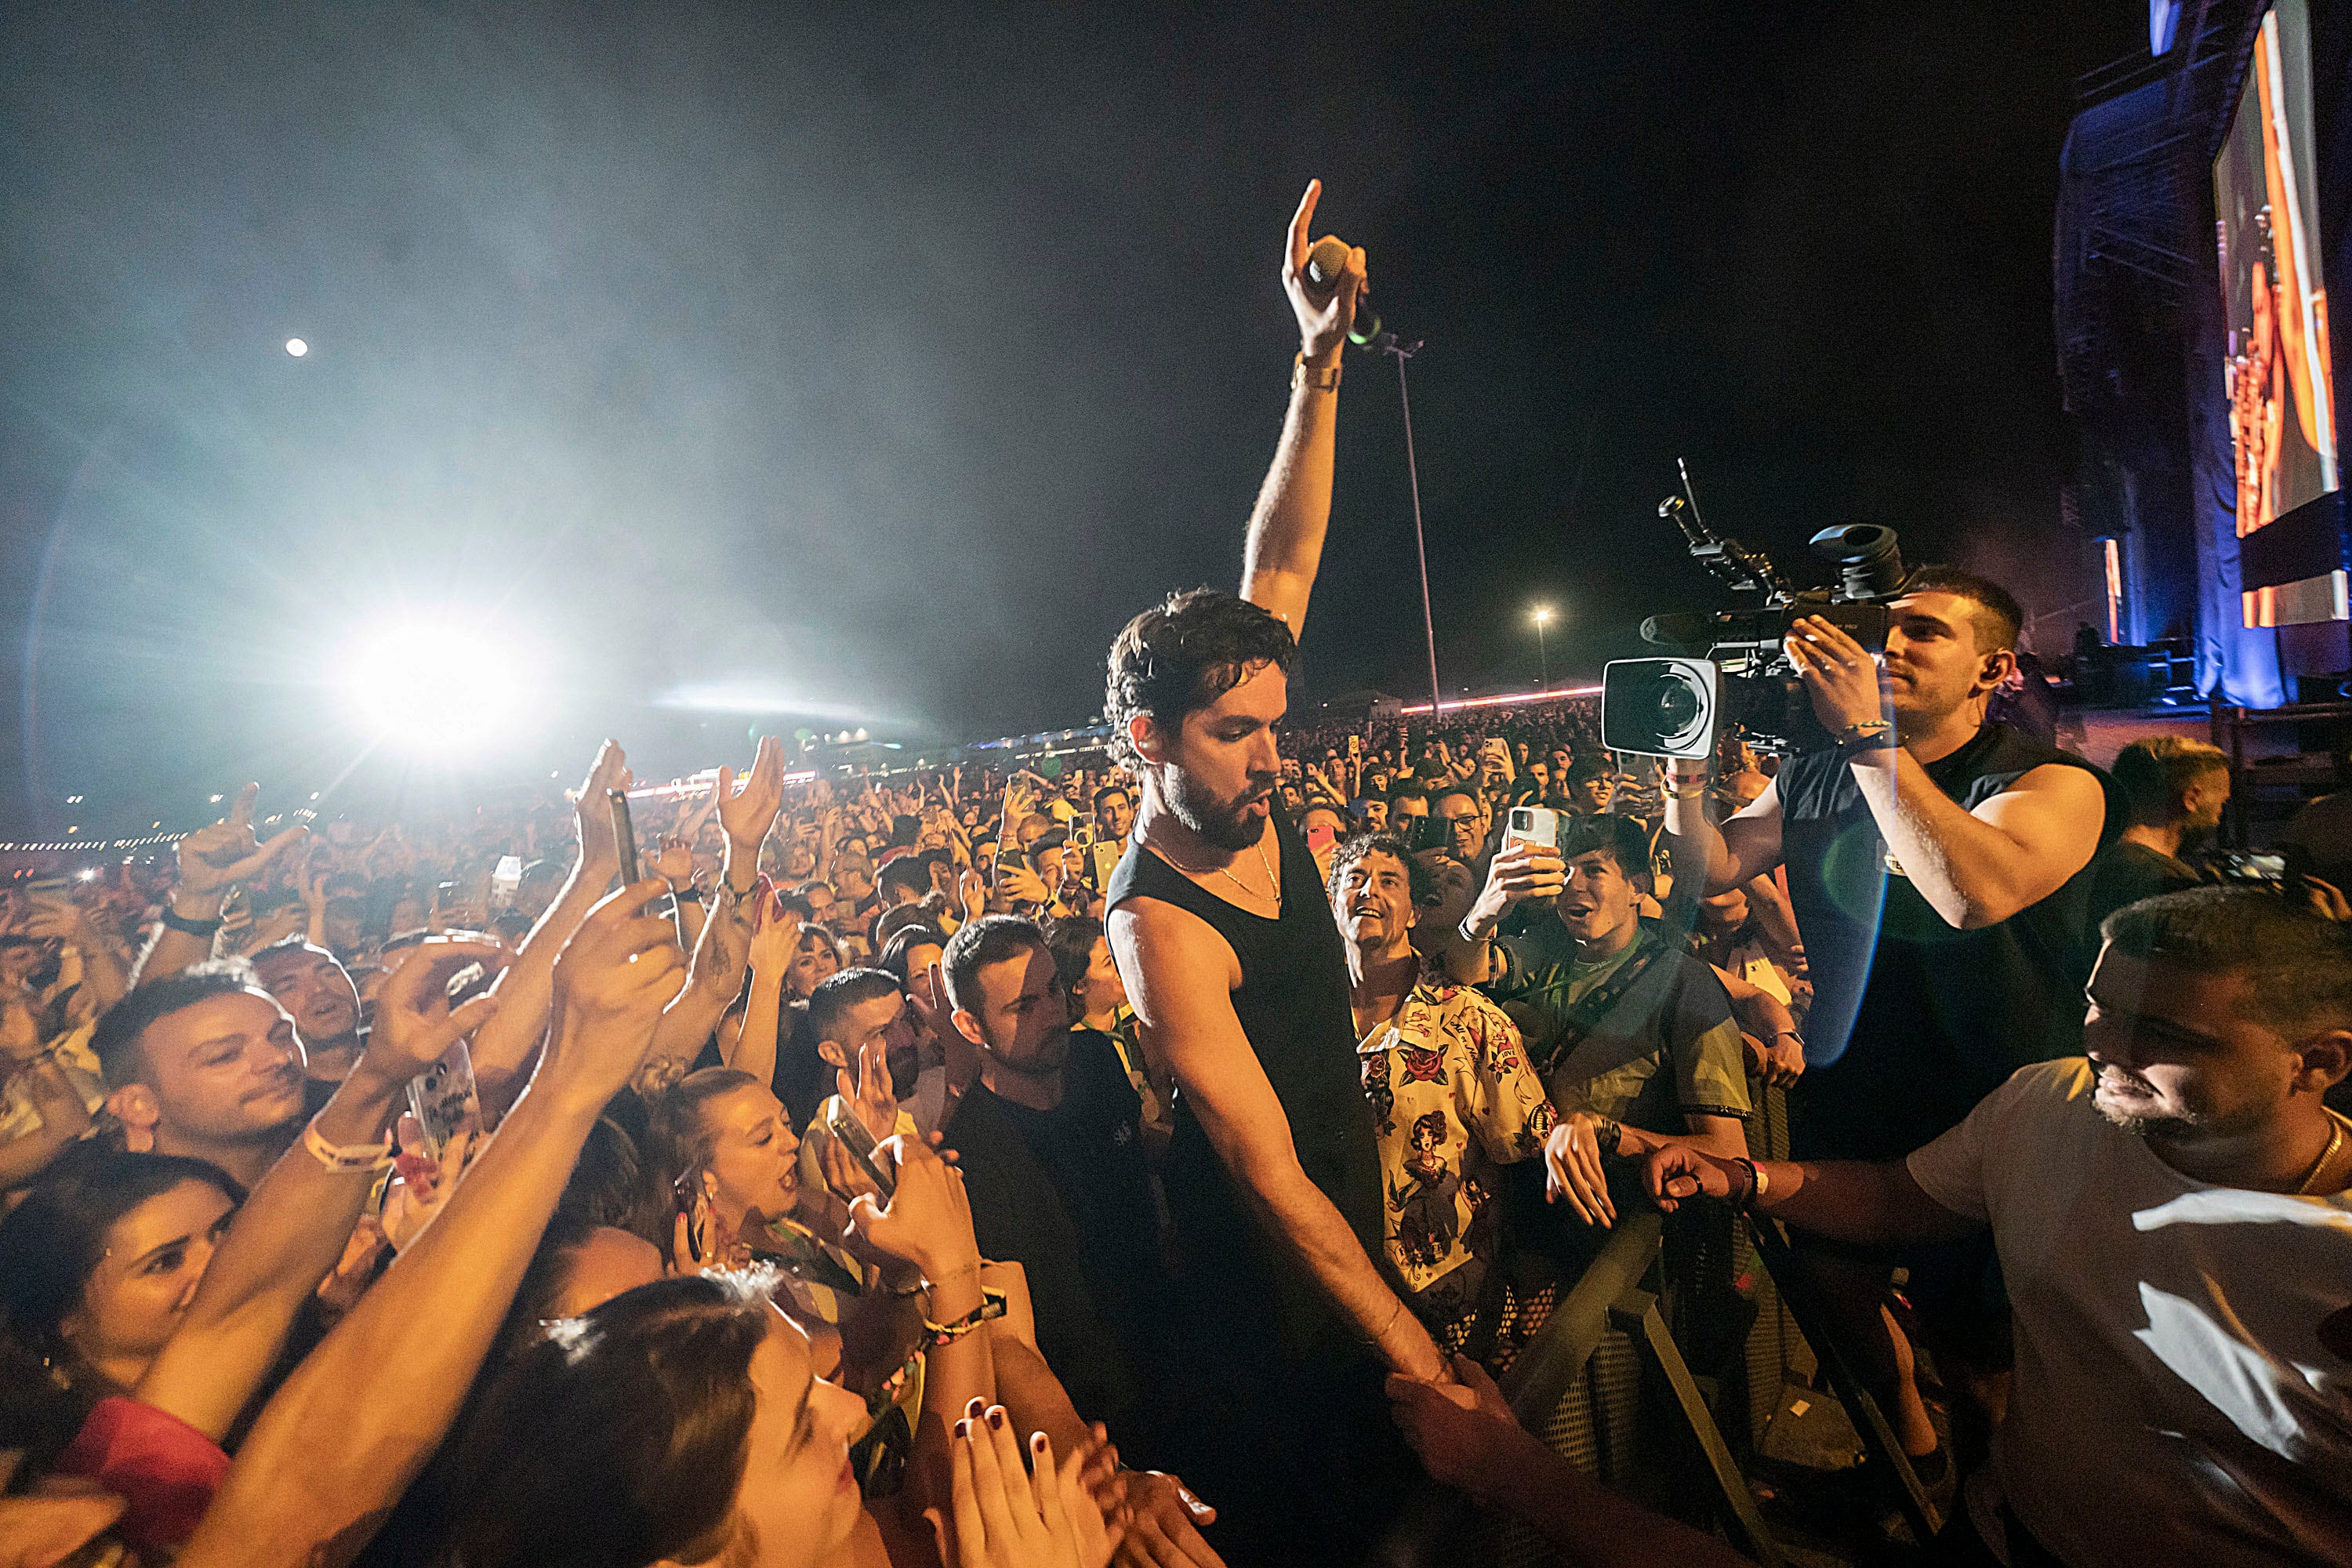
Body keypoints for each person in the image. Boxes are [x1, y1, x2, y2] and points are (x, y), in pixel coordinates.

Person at [1643, 886, 2352, 1568]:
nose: (2107, 1045)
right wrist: (1745, 1179)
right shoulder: (2052, 1100)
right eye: (2098, 1007)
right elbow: (1898, 1197)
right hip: (2005, 1533)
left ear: (2318, 1062)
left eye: (2163, 1035)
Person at [1102, 179, 1437, 1561]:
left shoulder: (1251, 742)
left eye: (1273, 727)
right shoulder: (1155, 924)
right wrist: (1413, 1345)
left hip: (1349, 1218)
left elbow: (1284, 548)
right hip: (1275, 1287)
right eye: (1233, 735)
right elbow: (1267, 1171)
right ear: (1148, 737)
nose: (1268, 757)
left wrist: (1319, 354)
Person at [1659, 565, 2123, 1472]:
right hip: (1855, 1090)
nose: (1890, 646)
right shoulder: (1821, 772)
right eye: (1887, 629)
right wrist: (1682, 769)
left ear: (1991, 671)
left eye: (1924, 632)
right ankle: (1911, 1444)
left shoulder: (2053, 782)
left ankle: (1989, 1508)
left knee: (1980, 1358)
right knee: (1834, 1290)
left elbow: (1973, 892)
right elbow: (1709, 868)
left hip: (1989, 1104)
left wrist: (1872, 738)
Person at [937, 918, 1168, 1448]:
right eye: (1022, 1007)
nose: (1052, 1014)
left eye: (1053, 991)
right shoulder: (970, 1154)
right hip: (1096, 1414)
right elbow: (1005, 1336)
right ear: (971, 1028)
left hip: (1174, 1346)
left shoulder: (1095, 1060)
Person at [1328, 833, 1556, 1366]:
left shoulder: (1468, 1020)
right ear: (1332, 901)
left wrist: (1532, 1310)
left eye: (1390, 882)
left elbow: (1531, 1165)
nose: (1370, 892)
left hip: (1454, 1317)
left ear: (1413, 912)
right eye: (1355, 879)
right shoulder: (1306, 1023)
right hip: (1340, 1311)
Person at [89, 966, 311, 1190]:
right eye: (225, 1056)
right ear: (140, 1105)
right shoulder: (129, 1218)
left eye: (282, 1037)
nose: (279, 1059)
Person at [2087, 735, 2229, 924]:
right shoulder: (2174, 884)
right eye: (2222, 802)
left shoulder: (2086, 860)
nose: (2218, 814)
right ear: (2192, 799)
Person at [247, 938, 365, 1083]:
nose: (319, 989)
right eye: (289, 987)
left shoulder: (398, 1056)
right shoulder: (280, 1101)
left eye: (329, 974)